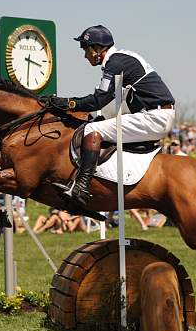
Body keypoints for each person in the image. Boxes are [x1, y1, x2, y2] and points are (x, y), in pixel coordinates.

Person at [49, 25, 175, 206]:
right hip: (158, 113)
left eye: (86, 49)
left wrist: (68, 103)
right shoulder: (120, 59)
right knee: (96, 123)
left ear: (97, 49)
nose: (85, 55)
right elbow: (106, 102)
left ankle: (81, 186)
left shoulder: (114, 62)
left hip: (154, 116)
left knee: (92, 129)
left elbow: (99, 100)